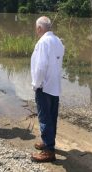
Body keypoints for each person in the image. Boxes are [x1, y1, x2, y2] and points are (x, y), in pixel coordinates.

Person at [30, 16, 65, 162]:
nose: (36, 31)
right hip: (55, 85)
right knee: (51, 117)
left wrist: (36, 84)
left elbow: (41, 66)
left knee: (44, 118)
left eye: (36, 28)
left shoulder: (43, 42)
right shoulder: (58, 41)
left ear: (39, 28)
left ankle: (49, 151)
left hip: (44, 86)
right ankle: (47, 142)